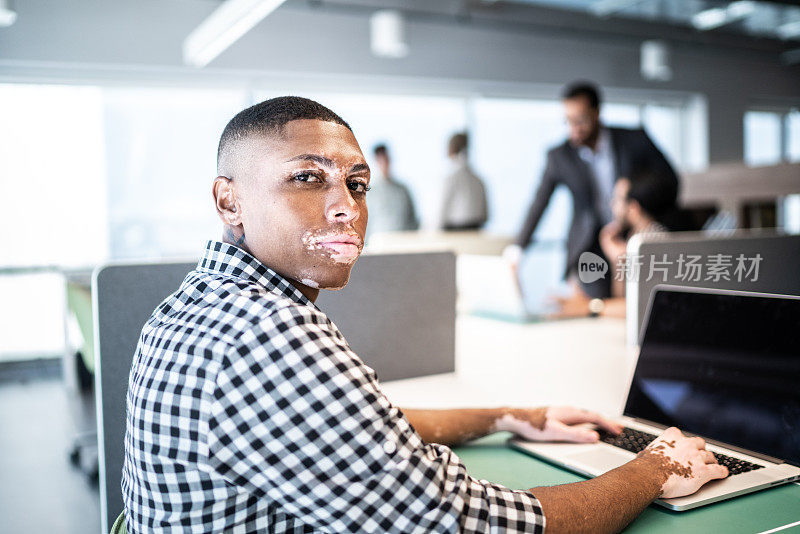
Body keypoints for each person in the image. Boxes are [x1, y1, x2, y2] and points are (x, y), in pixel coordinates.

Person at [123, 96, 727, 533]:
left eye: (357, 184)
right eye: (307, 178)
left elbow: (349, 425)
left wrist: (507, 416)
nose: (346, 208)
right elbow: (466, 525)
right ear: (228, 200)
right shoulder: (268, 334)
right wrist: (653, 470)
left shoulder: (195, 307)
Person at [506, 81, 679, 299]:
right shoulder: (560, 157)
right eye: (568, 121)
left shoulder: (634, 139)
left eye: (581, 120)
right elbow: (539, 202)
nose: (574, 128)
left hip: (633, 236)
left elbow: (670, 181)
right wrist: (517, 249)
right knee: (595, 299)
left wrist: (632, 192)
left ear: (597, 112)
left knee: (640, 298)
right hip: (590, 245)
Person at [550, 165, 677, 318]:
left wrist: (588, 306)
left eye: (617, 200)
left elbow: (637, 308)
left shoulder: (653, 242)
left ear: (633, 208)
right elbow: (622, 300)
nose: (612, 205)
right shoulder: (635, 237)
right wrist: (618, 261)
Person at [364, 144, 418, 240]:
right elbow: (365, 223)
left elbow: (413, 219)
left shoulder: (403, 189)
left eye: (386, 159)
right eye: (381, 160)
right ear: (376, 161)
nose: (384, 163)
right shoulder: (369, 192)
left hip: (402, 242)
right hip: (378, 243)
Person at [439, 132, 488, 230]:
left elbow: (440, 213)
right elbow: (486, 215)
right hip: (476, 230)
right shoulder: (478, 180)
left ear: (451, 150)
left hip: (454, 232)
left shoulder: (451, 179)